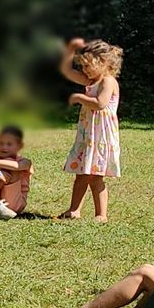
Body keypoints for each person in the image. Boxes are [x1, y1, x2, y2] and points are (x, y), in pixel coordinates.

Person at [58, 37, 122, 221]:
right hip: (88, 137)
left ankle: (101, 214)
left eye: (87, 66)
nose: (84, 70)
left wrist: (79, 98)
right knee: (81, 175)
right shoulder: (90, 80)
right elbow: (66, 70)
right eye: (83, 66)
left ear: (103, 62)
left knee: (95, 177)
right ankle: (74, 211)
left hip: (101, 138)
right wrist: (70, 49)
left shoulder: (108, 81)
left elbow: (100, 104)